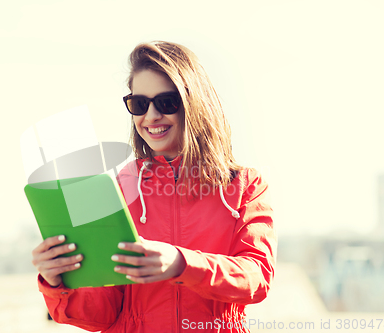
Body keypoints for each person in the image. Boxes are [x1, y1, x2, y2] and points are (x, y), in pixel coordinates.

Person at [31, 41, 277, 333]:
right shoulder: (118, 188)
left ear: (194, 103)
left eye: (166, 102)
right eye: (139, 104)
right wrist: (57, 281)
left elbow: (257, 277)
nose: (150, 116)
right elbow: (100, 314)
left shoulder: (245, 185)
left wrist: (182, 263)